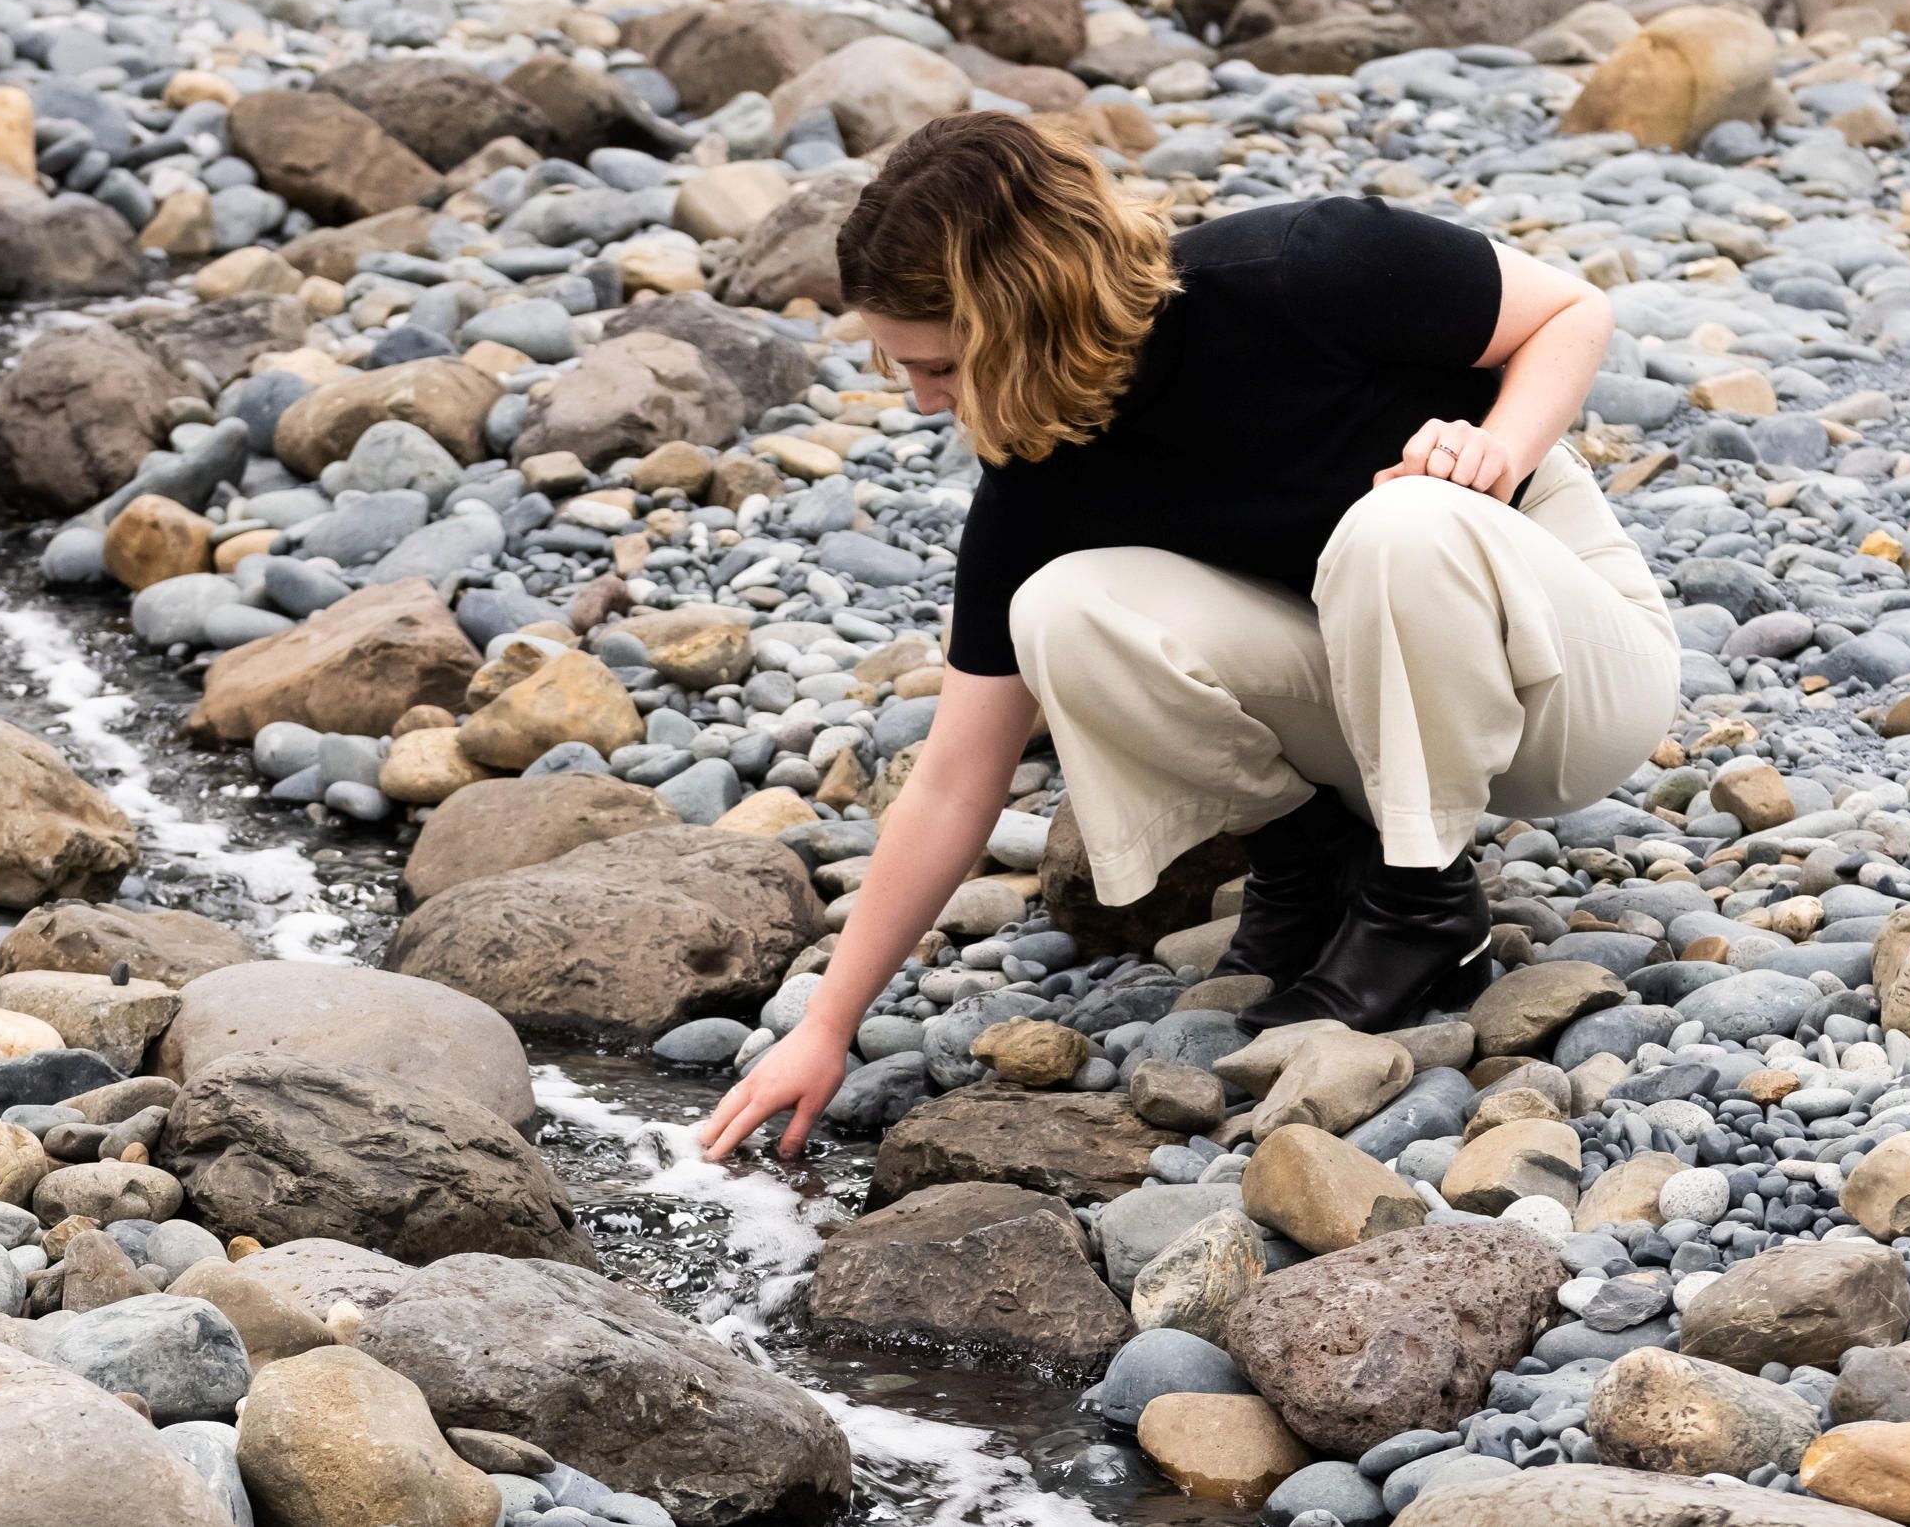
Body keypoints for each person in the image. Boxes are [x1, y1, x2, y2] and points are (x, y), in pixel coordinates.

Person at [697, 111, 1678, 1162]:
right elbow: (953, 776)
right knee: (1059, 611)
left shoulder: (1304, 267)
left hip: (1572, 678)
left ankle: (1425, 903)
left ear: (1020, 317)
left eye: (937, 365)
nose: (923, 398)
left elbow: (1571, 310)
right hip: (1382, 711)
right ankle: (1315, 863)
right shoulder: (1040, 465)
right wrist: (827, 1024)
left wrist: (1491, 448)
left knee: (1401, 521)